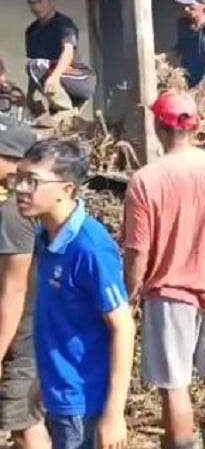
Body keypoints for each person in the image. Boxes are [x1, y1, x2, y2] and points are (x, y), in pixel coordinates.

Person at [123, 91, 205, 449]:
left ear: (157, 126)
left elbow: (138, 250)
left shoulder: (145, 181)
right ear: (196, 125)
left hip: (168, 295)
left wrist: (130, 293)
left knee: (175, 385)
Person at [15, 139, 133, 449]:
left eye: (33, 181)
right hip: (58, 390)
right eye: (20, 177)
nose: (21, 189)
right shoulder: (44, 235)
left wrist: (114, 414)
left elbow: (123, 327)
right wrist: (43, 378)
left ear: (67, 190)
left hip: (84, 401)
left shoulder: (90, 248)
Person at [0, 124, 47, 448]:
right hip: (39, 325)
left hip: (22, 335)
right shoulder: (38, 202)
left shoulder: (14, 213)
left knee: (21, 420)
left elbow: (13, 290)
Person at [22, 0, 96, 124]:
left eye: (40, 1)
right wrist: (30, 96)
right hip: (55, 81)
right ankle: (57, 113)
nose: (36, 7)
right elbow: (33, 71)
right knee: (34, 66)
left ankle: (64, 110)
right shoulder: (31, 31)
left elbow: (68, 52)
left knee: (36, 65)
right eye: (32, 3)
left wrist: (55, 77)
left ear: (50, 0)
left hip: (79, 78)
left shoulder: (64, 24)